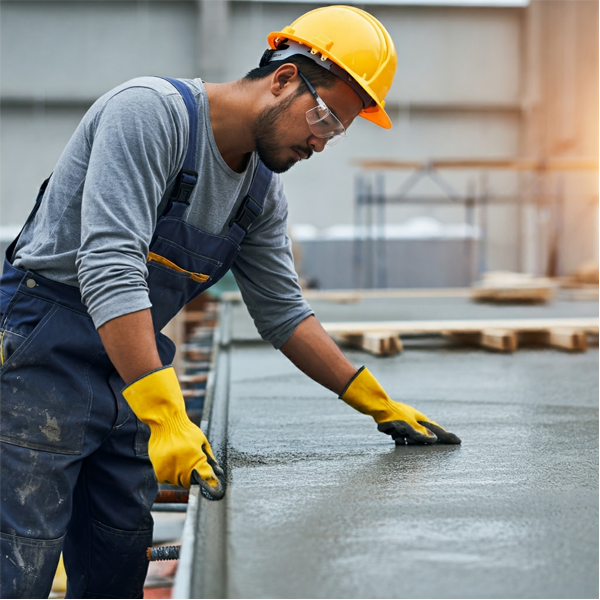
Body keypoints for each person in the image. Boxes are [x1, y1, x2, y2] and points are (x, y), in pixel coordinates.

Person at [0, 5, 460, 598]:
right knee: (20, 564)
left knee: (117, 560)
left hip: (130, 371)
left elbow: (284, 314)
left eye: (339, 130)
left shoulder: (261, 193)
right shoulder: (149, 114)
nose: (323, 140)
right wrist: (166, 414)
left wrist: (370, 398)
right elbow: (110, 265)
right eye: (324, 116)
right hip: (43, 358)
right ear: (285, 77)